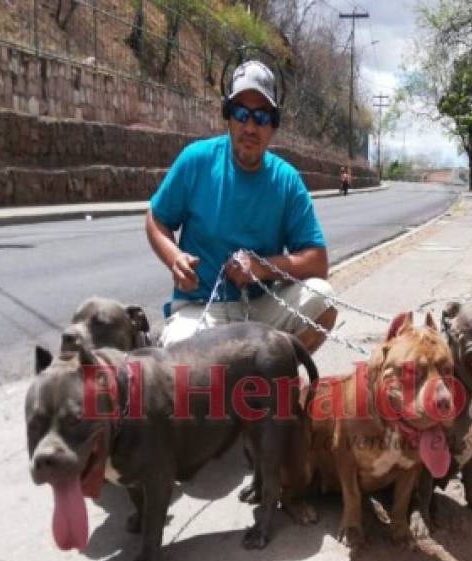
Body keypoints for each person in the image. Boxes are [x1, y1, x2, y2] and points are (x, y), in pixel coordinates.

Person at [145, 60, 338, 353]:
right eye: (241, 113)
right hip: (201, 309)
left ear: (273, 125)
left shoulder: (286, 180)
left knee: (322, 300)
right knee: (180, 359)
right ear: (228, 117)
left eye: (261, 116)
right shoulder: (196, 160)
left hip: (261, 306)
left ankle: (273, 384)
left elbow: (317, 262)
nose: (250, 126)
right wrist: (175, 258)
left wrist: (262, 268)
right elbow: (155, 219)